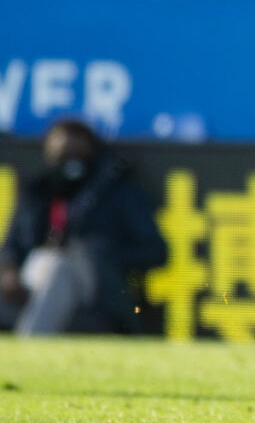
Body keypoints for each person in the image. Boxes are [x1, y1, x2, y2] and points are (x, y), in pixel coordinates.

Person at [0, 118, 168, 335]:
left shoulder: (117, 191)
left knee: (59, 268)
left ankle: (30, 347)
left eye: (78, 156)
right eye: (62, 156)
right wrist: (9, 272)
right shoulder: (37, 192)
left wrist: (98, 251)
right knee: (48, 261)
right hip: (37, 268)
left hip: (94, 277)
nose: (70, 165)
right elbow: (12, 246)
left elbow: (156, 251)